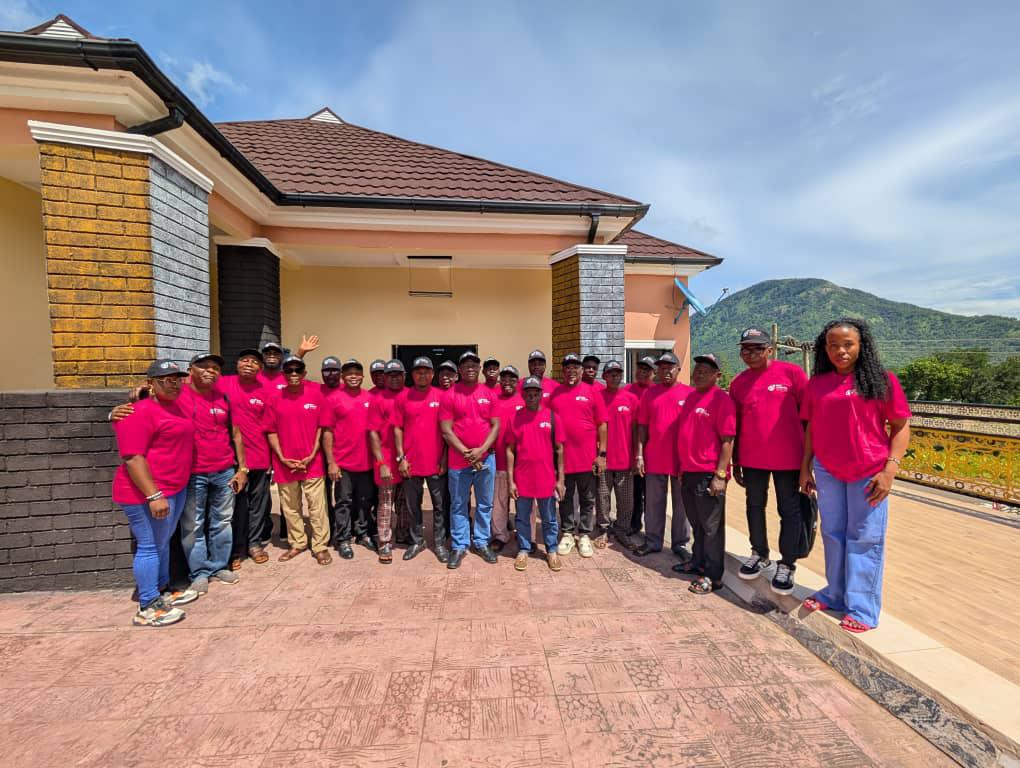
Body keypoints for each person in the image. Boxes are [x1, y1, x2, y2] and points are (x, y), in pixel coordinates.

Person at [800, 318, 911, 633]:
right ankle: (834, 593)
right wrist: (805, 466)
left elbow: (901, 427)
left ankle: (862, 609)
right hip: (828, 470)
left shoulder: (882, 381)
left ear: (862, 346)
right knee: (833, 533)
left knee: (864, 539)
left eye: (847, 344)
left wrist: (890, 470)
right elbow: (810, 427)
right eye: (833, 345)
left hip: (869, 471)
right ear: (825, 348)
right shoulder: (818, 384)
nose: (840, 351)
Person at [111, 359, 196, 626]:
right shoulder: (136, 412)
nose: (173, 384)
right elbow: (133, 458)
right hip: (146, 493)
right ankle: (148, 606)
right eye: (165, 380)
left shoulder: (179, 404)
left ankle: (161, 591)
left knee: (162, 542)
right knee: (149, 546)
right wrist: (153, 496)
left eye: (177, 379)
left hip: (175, 487)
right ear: (150, 384)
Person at [729, 327, 809, 594]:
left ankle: (787, 563)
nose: (750, 353)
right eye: (745, 349)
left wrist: (809, 462)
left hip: (789, 459)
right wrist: (736, 461)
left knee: (789, 510)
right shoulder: (738, 383)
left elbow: (809, 416)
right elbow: (736, 425)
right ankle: (759, 552)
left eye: (757, 348)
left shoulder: (791, 374)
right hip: (752, 458)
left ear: (770, 350)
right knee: (754, 505)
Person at [176, 353, 248, 595]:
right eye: (203, 366)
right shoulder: (178, 395)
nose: (210, 371)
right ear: (190, 370)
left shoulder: (224, 397)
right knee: (193, 525)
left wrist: (242, 468)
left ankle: (219, 565)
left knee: (222, 522)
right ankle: (199, 573)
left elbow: (236, 434)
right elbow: (151, 395)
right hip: (194, 472)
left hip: (224, 470)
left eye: (215, 367)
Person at [672, 354, 736, 595]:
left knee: (711, 528)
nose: (699, 373)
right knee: (697, 523)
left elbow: (727, 440)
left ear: (717, 376)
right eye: (697, 369)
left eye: (706, 371)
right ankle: (698, 562)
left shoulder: (722, 400)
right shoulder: (690, 398)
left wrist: (720, 475)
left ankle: (713, 575)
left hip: (709, 474)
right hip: (689, 473)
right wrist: (681, 470)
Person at [266, 355, 332, 565]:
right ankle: (298, 543)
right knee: (290, 507)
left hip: (312, 463)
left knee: (317, 507)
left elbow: (322, 427)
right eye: (289, 371)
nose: (293, 374)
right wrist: (282, 457)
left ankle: (320, 546)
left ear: (304, 373)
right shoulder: (275, 398)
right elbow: (270, 431)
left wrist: (313, 454)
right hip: (285, 465)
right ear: (283, 375)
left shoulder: (316, 394)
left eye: (297, 370)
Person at [439, 350, 501, 569]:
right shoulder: (450, 395)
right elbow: (446, 430)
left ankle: (481, 542)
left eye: (474, 364)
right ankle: (459, 545)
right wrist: (468, 452)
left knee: (485, 504)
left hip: (486, 460)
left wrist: (481, 450)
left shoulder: (489, 393)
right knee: (458, 505)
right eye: (466, 365)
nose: (471, 368)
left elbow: (495, 425)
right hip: (459, 462)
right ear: (459, 370)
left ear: (479, 367)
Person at [634, 351, 692, 558]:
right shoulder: (650, 394)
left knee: (681, 504)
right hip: (655, 457)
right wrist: (639, 455)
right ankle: (652, 541)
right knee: (653, 502)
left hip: (681, 460)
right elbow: (642, 427)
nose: (666, 371)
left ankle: (680, 544)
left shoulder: (689, 394)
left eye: (670, 367)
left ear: (678, 369)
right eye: (662, 368)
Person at [550, 353, 607, 558]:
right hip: (563, 459)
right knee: (564, 497)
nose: (571, 371)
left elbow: (602, 424)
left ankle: (583, 534)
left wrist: (602, 454)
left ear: (581, 371)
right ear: (563, 371)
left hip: (587, 458)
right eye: (567, 368)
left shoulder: (593, 392)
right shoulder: (555, 394)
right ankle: (566, 532)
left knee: (587, 498)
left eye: (575, 368)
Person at [221, 348, 274, 570]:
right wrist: (145, 389)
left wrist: (272, 459)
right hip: (231, 459)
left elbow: (271, 428)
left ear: (260, 369)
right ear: (237, 364)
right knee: (236, 507)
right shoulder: (222, 384)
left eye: (254, 361)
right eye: (244, 360)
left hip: (260, 457)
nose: (249, 364)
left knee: (258, 505)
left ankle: (254, 544)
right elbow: (188, 387)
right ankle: (236, 549)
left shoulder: (265, 390)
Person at [507, 376, 566, 572]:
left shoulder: (552, 417)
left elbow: (559, 449)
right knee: (522, 517)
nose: (532, 396)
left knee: (549, 518)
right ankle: (523, 549)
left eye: (536, 393)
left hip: (546, 479)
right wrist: (510, 481)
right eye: (528, 393)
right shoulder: (516, 417)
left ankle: (551, 550)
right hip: (523, 478)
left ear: (541, 394)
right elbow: (510, 450)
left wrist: (560, 480)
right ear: (522, 394)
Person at [322, 358, 377, 559]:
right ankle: (343, 538)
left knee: (364, 501)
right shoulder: (334, 399)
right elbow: (327, 432)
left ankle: (362, 533)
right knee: (343, 502)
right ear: (343, 377)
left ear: (362, 376)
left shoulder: (370, 398)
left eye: (357, 373)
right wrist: (331, 462)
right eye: (349, 373)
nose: (353, 376)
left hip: (366, 462)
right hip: (343, 463)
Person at [394, 357, 448, 562]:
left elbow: (446, 431)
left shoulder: (442, 396)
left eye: (426, 371)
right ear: (412, 374)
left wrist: (444, 458)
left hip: (436, 464)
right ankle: (417, 541)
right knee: (412, 506)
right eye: (418, 371)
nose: (422, 374)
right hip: (411, 464)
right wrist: (401, 457)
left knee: (439, 506)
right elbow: (397, 429)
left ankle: (440, 543)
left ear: (432, 374)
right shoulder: (403, 397)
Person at [595, 361, 641, 548]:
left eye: (617, 373)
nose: (614, 377)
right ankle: (604, 529)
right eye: (610, 373)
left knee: (626, 499)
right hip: (604, 459)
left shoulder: (631, 399)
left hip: (625, 459)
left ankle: (622, 529)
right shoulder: (597, 397)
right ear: (604, 376)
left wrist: (637, 456)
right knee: (603, 497)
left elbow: (637, 431)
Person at [368, 359, 406, 563]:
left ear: (404, 376)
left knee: (404, 502)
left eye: (398, 374)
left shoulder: (410, 395)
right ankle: (384, 542)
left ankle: (403, 534)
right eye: (390, 375)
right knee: (385, 504)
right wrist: (381, 463)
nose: (394, 378)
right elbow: (373, 434)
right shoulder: (378, 399)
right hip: (386, 461)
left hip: (408, 461)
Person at [490, 364, 523, 551]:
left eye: (512, 379)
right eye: (504, 378)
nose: (507, 382)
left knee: (525, 502)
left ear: (517, 382)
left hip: (522, 463)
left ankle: (525, 534)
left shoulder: (525, 400)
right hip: (498, 460)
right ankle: (500, 535)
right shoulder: (493, 399)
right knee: (499, 501)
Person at [624, 355, 657, 540]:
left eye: (647, 370)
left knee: (648, 493)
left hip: (651, 450)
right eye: (640, 369)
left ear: (653, 373)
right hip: (630, 449)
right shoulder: (627, 390)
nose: (642, 373)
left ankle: (650, 527)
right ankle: (634, 523)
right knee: (634, 490)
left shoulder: (656, 392)